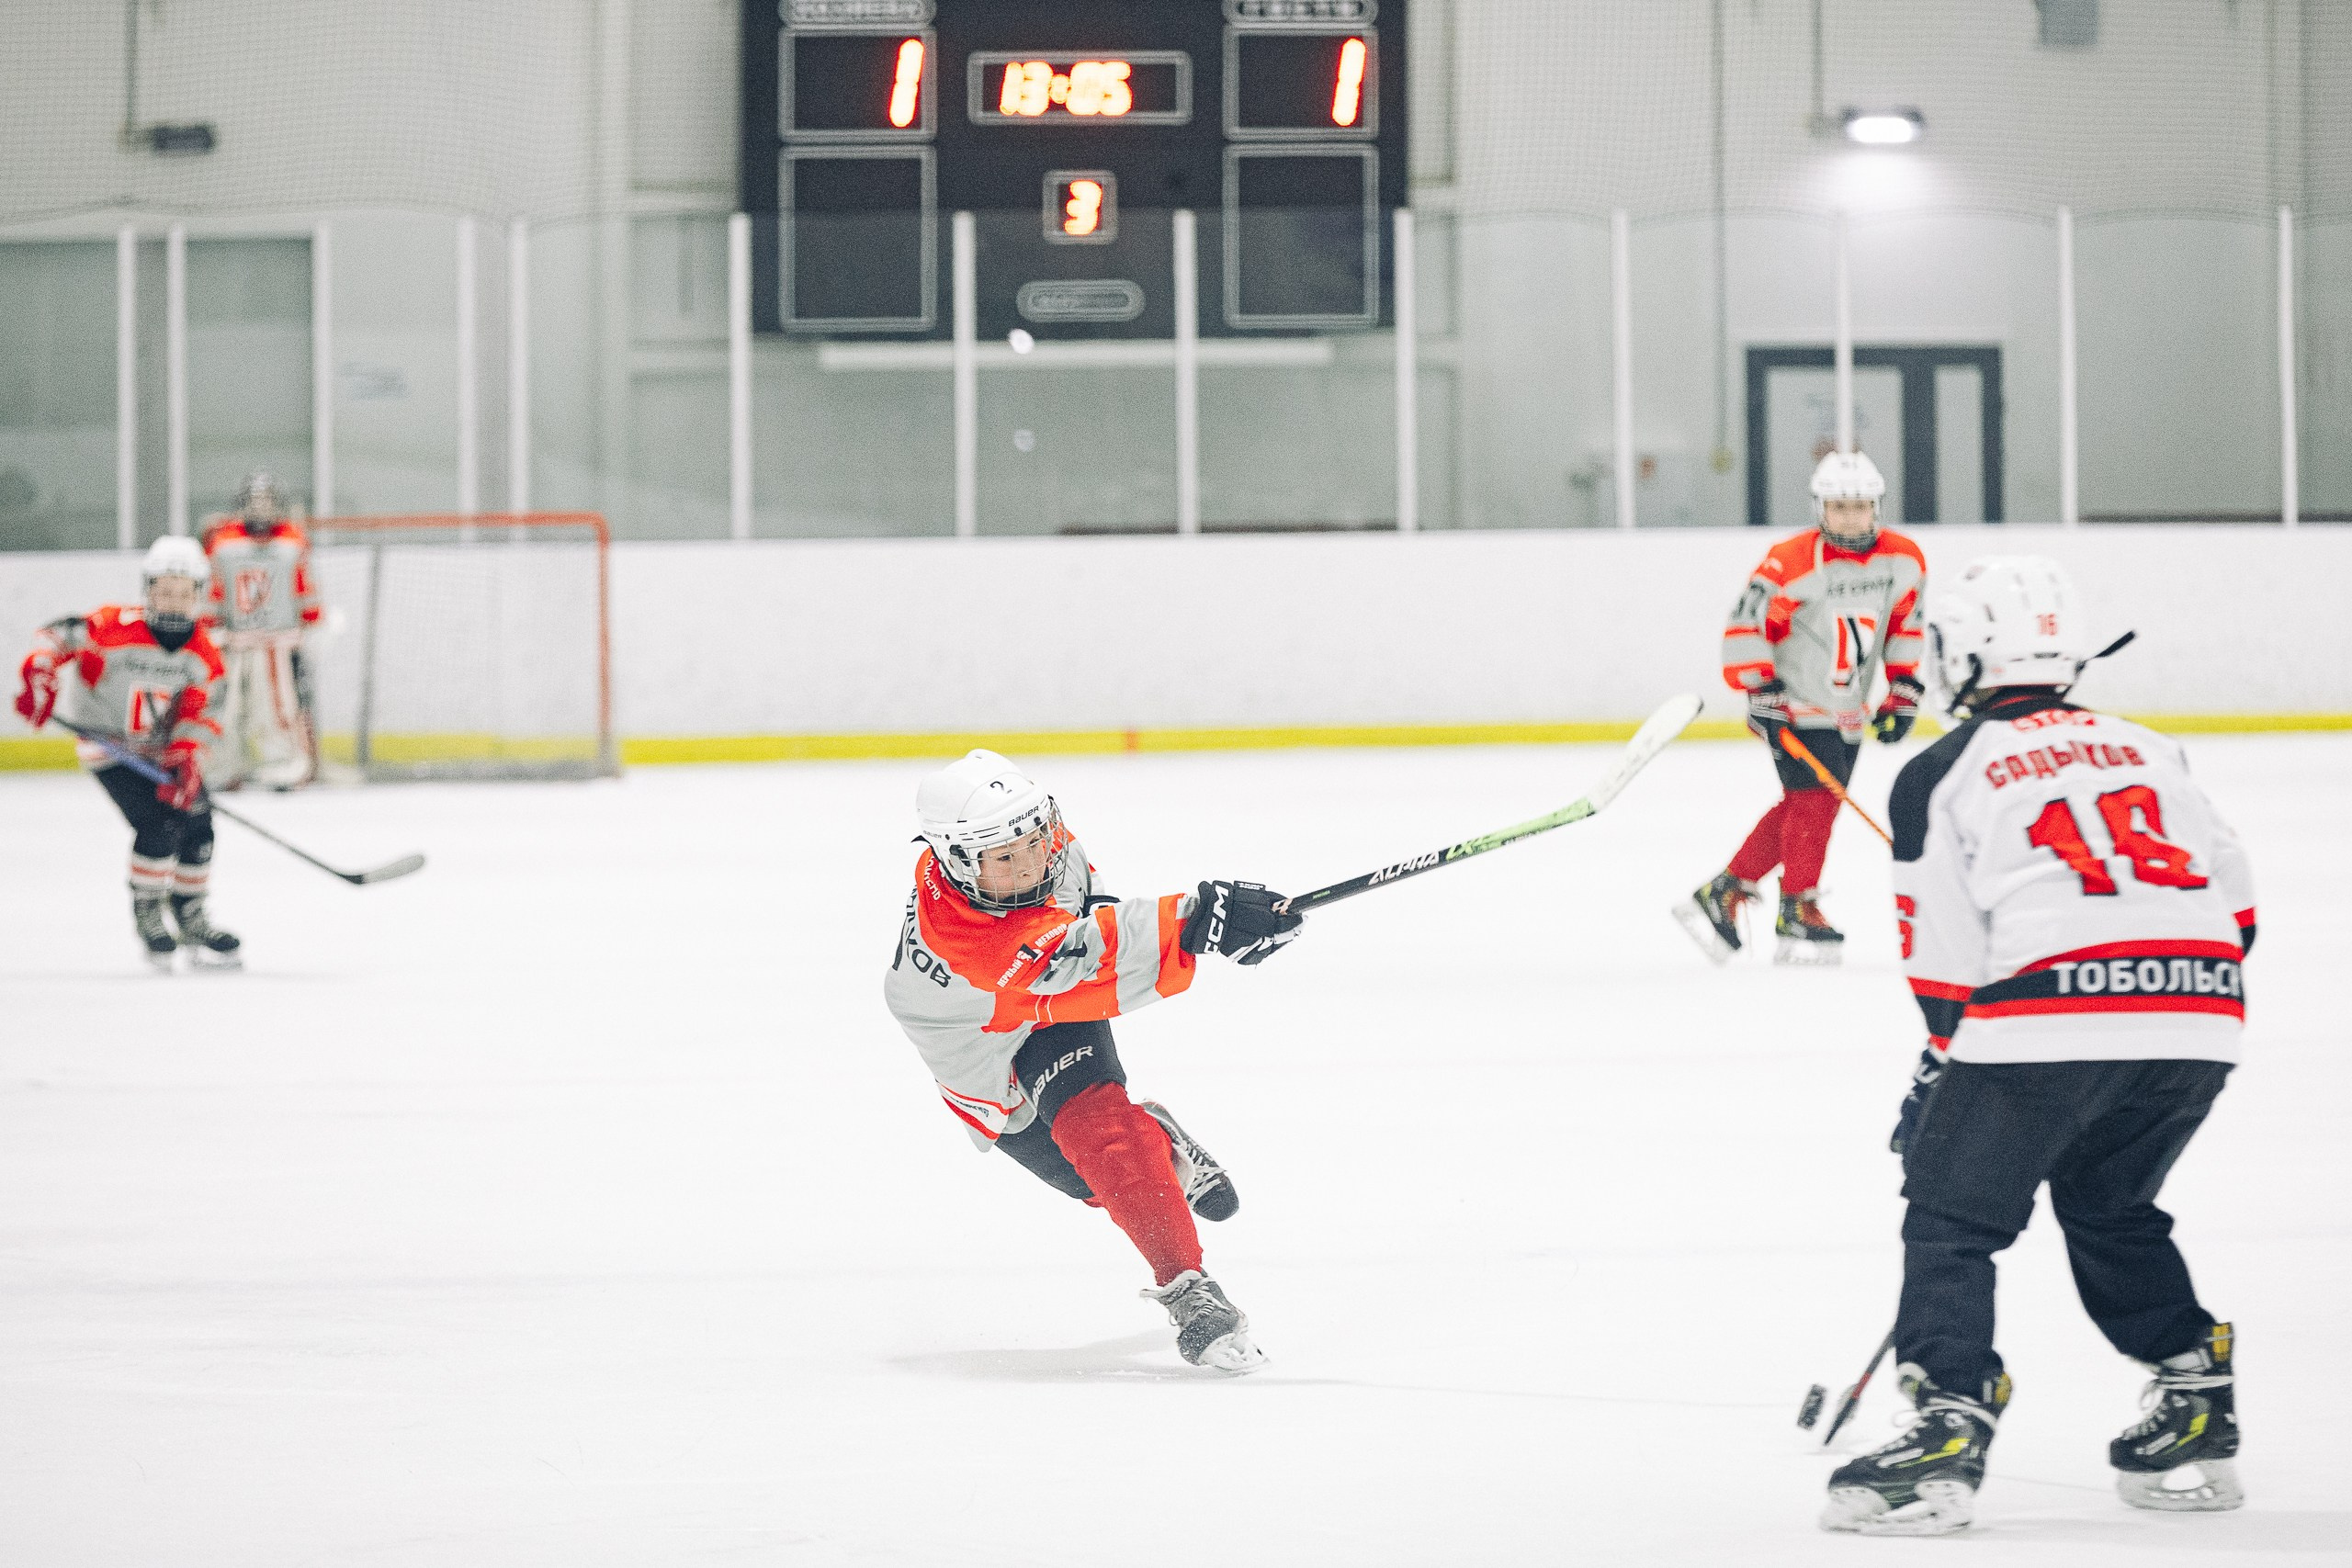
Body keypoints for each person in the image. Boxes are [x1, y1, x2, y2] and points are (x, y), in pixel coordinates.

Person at [1821, 557, 2253, 1535]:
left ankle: (1945, 1418)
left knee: (1950, 1215)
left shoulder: (1942, 771)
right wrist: (2170, 992)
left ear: (1962, 653)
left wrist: (1942, 1075)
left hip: (2044, 1021)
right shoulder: (2150, 746)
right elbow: (2237, 896)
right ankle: (2194, 1393)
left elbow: (1942, 965)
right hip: (2199, 1014)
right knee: (2108, 1201)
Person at [882, 749, 1304, 1371]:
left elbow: (1097, 922)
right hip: (973, 1043)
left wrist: (1208, 927)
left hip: (1044, 996)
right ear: (960, 861)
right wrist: (1197, 922)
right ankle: (1159, 1138)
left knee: (1103, 1138)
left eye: (1035, 839)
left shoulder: (1044, 848)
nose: (1030, 861)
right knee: (1090, 1181)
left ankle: (1190, 1288)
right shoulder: (969, 934)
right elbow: (1084, 956)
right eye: (1006, 856)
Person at [1675, 450, 1927, 964]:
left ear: (1877, 507)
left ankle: (1725, 889)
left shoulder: (1903, 560)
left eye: (1860, 506)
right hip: (1791, 704)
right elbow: (1745, 627)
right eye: (1839, 507)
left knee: (1809, 804)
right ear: (1820, 509)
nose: (1851, 517)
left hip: (1848, 708)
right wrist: (1760, 690)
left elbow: (1904, 627)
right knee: (1813, 802)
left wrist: (1902, 690)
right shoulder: (1789, 561)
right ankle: (1798, 906)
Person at [16, 536, 239, 972]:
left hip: (160, 754)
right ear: (148, 589)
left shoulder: (205, 655)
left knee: (199, 824)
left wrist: (187, 755)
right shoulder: (112, 625)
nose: (172, 601)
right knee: (158, 822)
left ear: (198, 595)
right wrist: (40, 673)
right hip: (109, 747)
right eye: (163, 589)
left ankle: (191, 916)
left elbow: (201, 714)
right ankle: (149, 914)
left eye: (183, 592)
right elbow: (56, 637)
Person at [200, 471, 322, 789]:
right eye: (255, 501)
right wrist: (209, 628)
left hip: (277, 645)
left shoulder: (292, 542)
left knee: (277, 710)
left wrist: (311, 622)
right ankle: (224, 768)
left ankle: (283, 766)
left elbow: (304, 591)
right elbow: (214, 591)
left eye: (267, 501)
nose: (261, 509)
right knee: (227, 710)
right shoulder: (223, 543)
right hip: (233, 642)